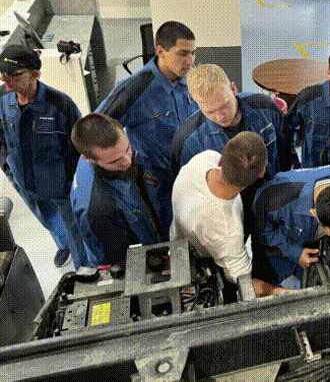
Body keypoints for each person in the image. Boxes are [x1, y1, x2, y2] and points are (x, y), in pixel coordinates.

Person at [96, 21, 198, 238]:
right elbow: (97, 128)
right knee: (164, 233)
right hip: (159, 182)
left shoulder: (192, 78)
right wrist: (127, 162)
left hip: (191, 172)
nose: (190, 61)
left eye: (193, 53)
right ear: (161, 51)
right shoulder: (135, 89)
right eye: (182, 54)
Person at [171, 132, 283, 297]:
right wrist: (280, 291)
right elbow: (243, 280)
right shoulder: (227, 230)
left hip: (178, 237)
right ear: (261, 173)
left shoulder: (204, 158)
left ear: (220, 160)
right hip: (200, 262)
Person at [0, 45, 83, 268]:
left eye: (14, 75)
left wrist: (71, 183)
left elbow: (79, 146)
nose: (5, 81)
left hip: (60, 186)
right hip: (24, 182)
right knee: (48, 219)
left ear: (35, 74)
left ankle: (82, 267)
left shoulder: (60, 105)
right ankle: (63, 245)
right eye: (3, 74)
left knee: (74, 228)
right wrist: (9, 171)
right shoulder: (3, 101)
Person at [70, 114, 169, 266]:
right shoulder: (99, 210)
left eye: (127, 149)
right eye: (115, 161)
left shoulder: (97, 145)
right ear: (88, 159)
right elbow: (119, 265)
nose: (128, 161)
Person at [252, 164, 330, 287]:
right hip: (288, 248)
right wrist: (295, 253)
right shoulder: (273, 198)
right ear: (314, 213)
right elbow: (264, 232)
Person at [171, 64, 286, 179]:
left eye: (224, 106)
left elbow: (285, 151)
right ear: (197, 104)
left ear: (233, 89)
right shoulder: (186, 142)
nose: (220, 117)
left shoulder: (266, 108)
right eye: (210, 112)